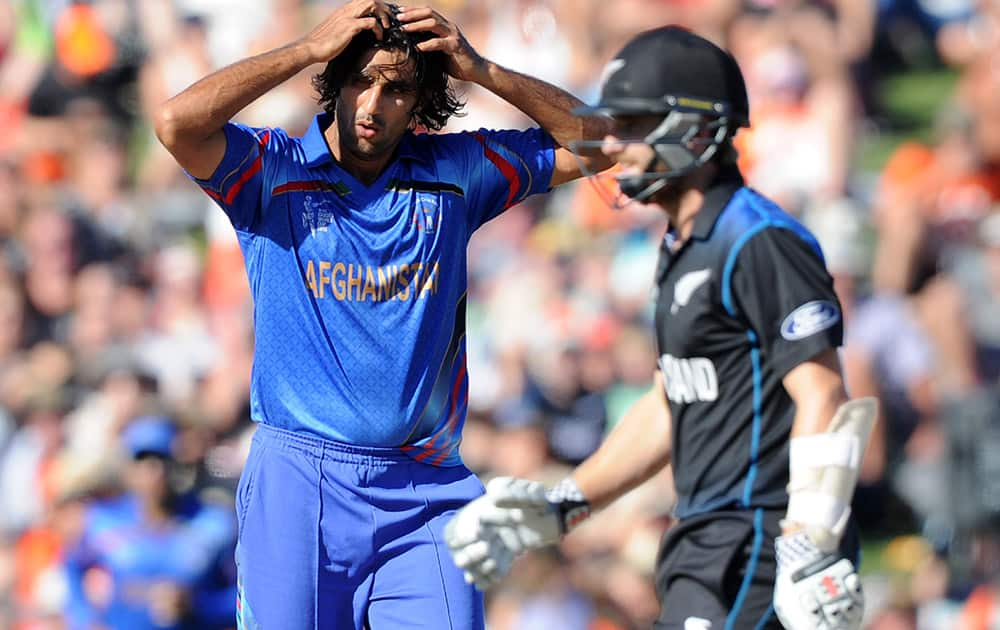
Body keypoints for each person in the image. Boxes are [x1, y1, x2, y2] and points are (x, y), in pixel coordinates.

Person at [152, 1, 610, 628]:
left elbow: (603, 144)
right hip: (299, 483)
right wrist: (305, 49)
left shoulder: (456, 174)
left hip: (425, 491)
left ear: (420, 101)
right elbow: (176, 122)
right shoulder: (271, 170)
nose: (372, 105)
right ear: (334, 81)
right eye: (359, 79)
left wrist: (482, 69)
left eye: (395, 89)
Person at [446, 26, 877, 630]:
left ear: (697, 129)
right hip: (701, 542)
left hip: (760, 542)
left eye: (633, 125)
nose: (615, 145)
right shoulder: (682, 246)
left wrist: (810, 542)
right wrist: (565, 502)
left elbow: (824, 392)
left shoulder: (758, 239)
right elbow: (670, 398)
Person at [62, 416, 237, 630]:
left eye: (163, 459)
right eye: (143, 460)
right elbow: (72, 567)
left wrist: (198, 605)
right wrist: (86, 620)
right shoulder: (102, 522)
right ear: (128, 469)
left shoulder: (213, 524)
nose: (155, 471)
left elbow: (242, 595)